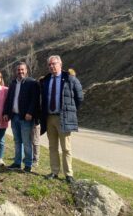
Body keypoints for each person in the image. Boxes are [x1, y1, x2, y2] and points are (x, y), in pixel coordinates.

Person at [39, 55, 83, 183]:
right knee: (52, 147)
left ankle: (68, 174)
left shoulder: (70, 78)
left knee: (66, 148)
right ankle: (54, 171)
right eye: (49, 64)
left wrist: (70, 111)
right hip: (49, 118)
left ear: (60, 64)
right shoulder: (45, 80)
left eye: (54, 63)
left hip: (63, 117)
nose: (52, 66)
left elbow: (79, 97)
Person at [3, 62, 39, 172]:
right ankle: (17, 163)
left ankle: (28, 164)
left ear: (26, 70)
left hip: (26, 118)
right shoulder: (13, 84)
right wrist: (6, 112)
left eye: (22, 69)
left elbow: (35, 100)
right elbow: (9, 100)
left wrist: (30, 112)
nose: (20, 72)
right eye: (18, 70)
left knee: (27, 142)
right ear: (16, 71)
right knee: (17, 141)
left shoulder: (32, 83)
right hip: (14, 117)